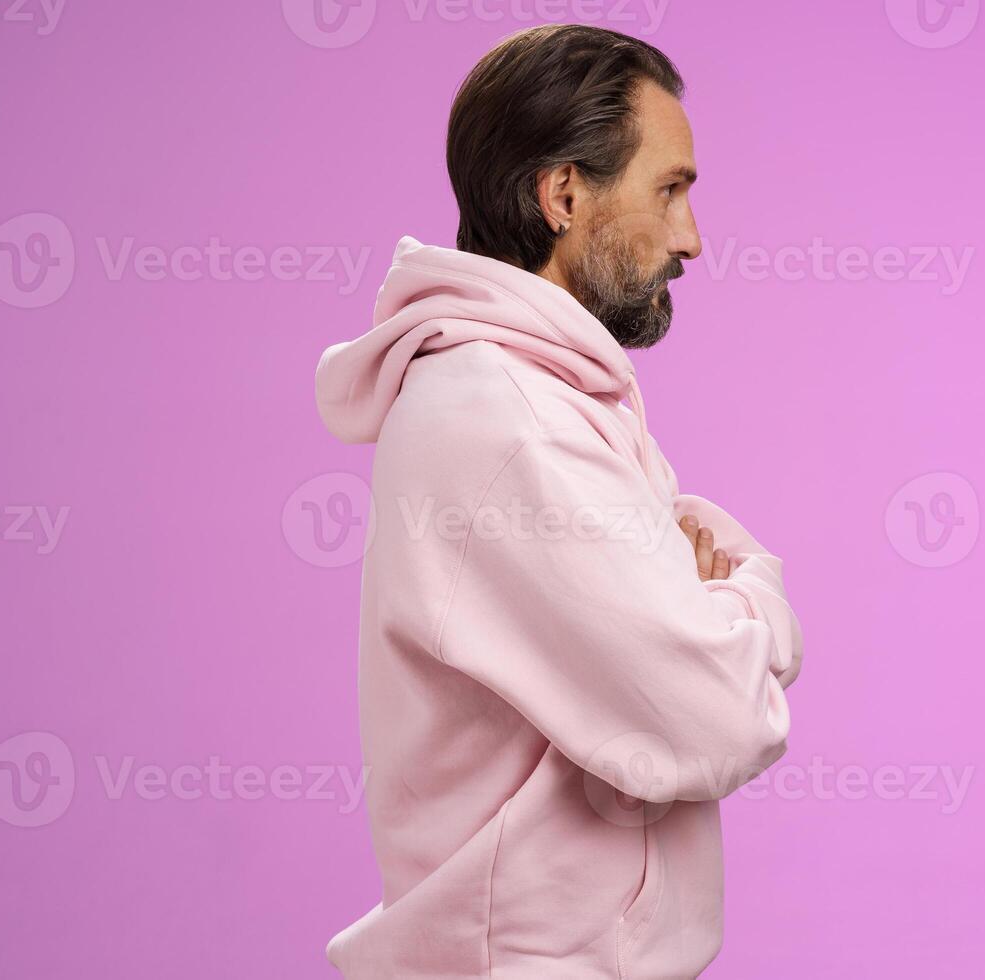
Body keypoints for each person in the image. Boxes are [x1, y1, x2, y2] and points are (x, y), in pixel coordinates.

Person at [312, 24, 804, 979]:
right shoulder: (511, 421)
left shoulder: (556, 397)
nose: (693, 239)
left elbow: (689, 613)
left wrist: (699, 610)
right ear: (565, 194)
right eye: (669, 190)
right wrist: (751, 607)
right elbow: (711, 718)